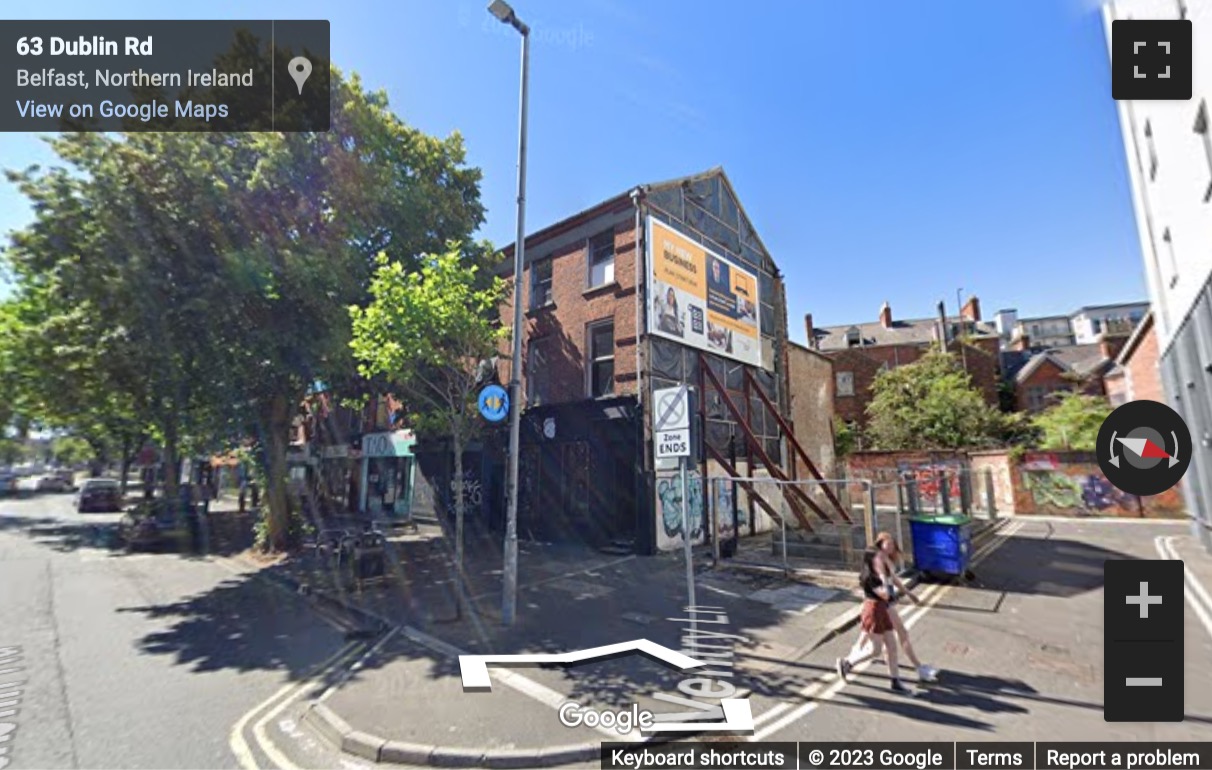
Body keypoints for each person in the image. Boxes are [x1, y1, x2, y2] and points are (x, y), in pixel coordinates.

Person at [835, 546, 911, 694]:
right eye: (879, 557)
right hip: (874, 610)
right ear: (871, 560)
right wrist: (885, 578)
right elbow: (886, 595)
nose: (882, 559)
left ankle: (895, 681)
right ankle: (847, 663)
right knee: (875, 649)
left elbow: (890, 593)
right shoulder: (870, 577)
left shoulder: (880, 572)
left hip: (883, 609)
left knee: (892, 647)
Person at [873, 531, 939, 683]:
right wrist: (885, 592)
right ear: (880, 544)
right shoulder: (879, 559)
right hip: (883, 601)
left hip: (885, 599)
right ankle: (919, 667)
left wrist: (909, 594)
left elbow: (894, 579)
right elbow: (883, 578)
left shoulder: (888, 559)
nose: (890, 547)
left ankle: (847, 662)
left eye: (892, 544)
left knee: (872, 641)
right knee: (901, 632)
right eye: (887, 544)